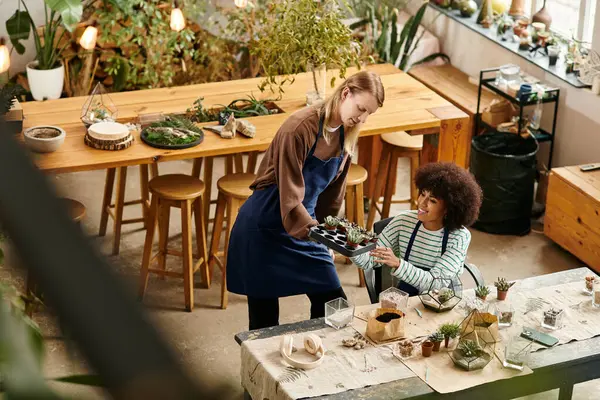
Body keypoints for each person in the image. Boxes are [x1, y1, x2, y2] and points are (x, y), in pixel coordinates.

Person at [227, 71, 385, 330]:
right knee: (265, 323)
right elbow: (289, 195)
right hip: (266, 224)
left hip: (306, 225)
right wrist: (318, 233)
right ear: (345, 94)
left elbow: (332, 197)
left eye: (369, 113)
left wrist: (329, 236)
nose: (363, 118)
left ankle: (319, 360)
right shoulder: (299, 128)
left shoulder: (347, 135)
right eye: (361, 108)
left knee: (334, 306)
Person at [352, 162, 483, 295]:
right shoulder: (403, 222)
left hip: (443, 299)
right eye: (422, 194)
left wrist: (398, 264)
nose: (422, 203)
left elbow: (436, 283)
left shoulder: (459, 237)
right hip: (408, 296)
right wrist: (351, 245)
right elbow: (370, 260)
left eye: (432, 201)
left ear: (448, 209)